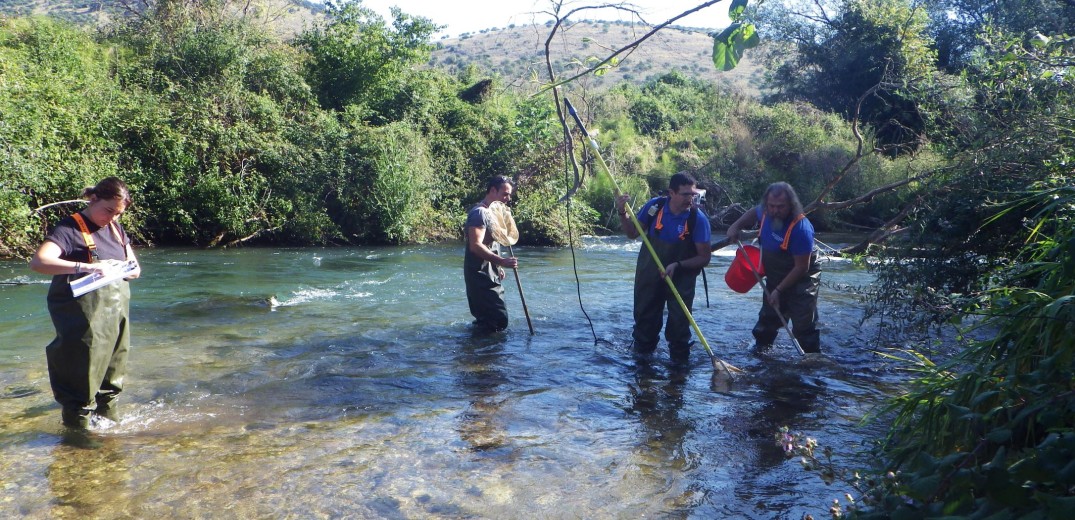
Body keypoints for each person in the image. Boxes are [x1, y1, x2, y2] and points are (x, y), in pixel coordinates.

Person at [30, 177, 142, 428]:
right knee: (80, 379)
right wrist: (87, 266)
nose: (112, 217)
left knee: (112, 378)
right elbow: (39, 262)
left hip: (115, 316)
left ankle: (110, 433)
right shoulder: (69, 228)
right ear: (93, 200)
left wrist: (121, 268)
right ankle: (77, 443)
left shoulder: (116, 229)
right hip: (83, 320)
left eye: (119, 213)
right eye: (108, 210)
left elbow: (135, 271)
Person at [615, 172, 712, 363]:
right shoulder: (654, 207)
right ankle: (642, 369)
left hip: (681, 278)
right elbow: (632, 233)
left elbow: (704, 257)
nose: (690, 198)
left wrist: (678, 265)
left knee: (679, 327)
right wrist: (622, 212)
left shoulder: (697, 219)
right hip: (649, 272)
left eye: (693, 194)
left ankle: (677, 374)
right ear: (671, 193)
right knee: (645, 325)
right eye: (685, 194)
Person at [725, 181, 821, 353]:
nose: (775, 211)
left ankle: (811, 362)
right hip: (775, 275)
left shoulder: (801, 229)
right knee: (768, 319)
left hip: (802, 280)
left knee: (803, 326)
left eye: (780, 207)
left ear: (791, 205)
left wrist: (778, 290)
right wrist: (736, 226)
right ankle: (761, 352)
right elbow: (754, 212)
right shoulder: (765, 211)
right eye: (771, 206)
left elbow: (801, 267)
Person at [464, 175, 518, 332]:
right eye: (505, 194)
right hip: (479, 275)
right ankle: (483, 354)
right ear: (493, 190)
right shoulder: (479, 213)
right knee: (497, 320)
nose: (508, 198)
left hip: (490, 273)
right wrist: (501, 261)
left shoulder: (494, 213)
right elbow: (475, 246)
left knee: (493, 322)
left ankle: (483, 353)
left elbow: (490, 244)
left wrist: (497, 267)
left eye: (509, 195)